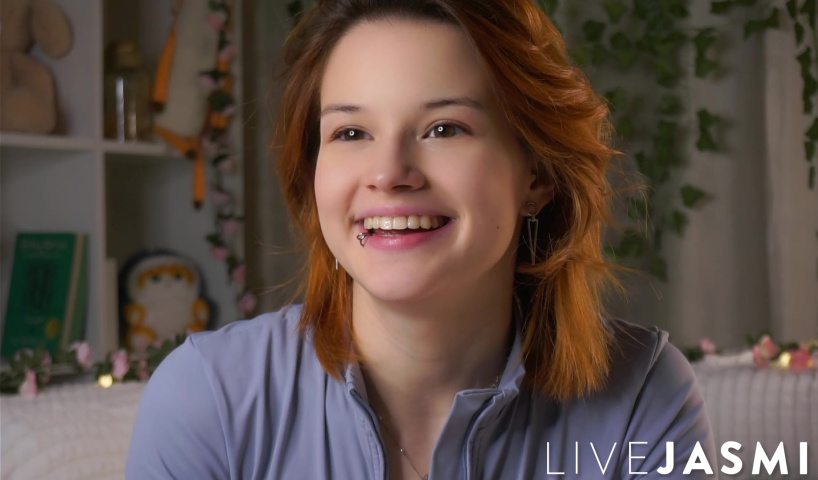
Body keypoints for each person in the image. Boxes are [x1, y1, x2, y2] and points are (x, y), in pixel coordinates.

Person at [126, 0, 717, 478]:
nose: (388, 173)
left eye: (444, 128)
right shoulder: (206, 398)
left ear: (536, 174)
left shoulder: (643, 395)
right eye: (351, 132)